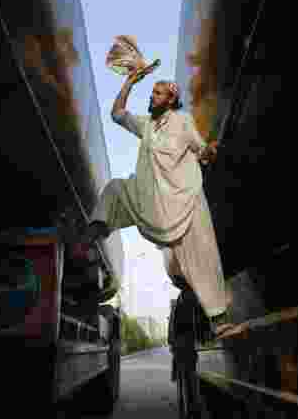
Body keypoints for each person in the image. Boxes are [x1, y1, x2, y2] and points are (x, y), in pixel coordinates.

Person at [85, 68, 234, 336]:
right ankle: (94, 233)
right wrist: (130, 82)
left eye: (157, 93)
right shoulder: (147, 125)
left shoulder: (183, 121)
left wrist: (209, 151)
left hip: (184, 199)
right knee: (116, 189)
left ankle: (219, 320)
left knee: (203, 253)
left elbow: (201, 149)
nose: (152, 97)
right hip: (151, 199)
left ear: (171, 97)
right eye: (152, 92)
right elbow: (117, 114)